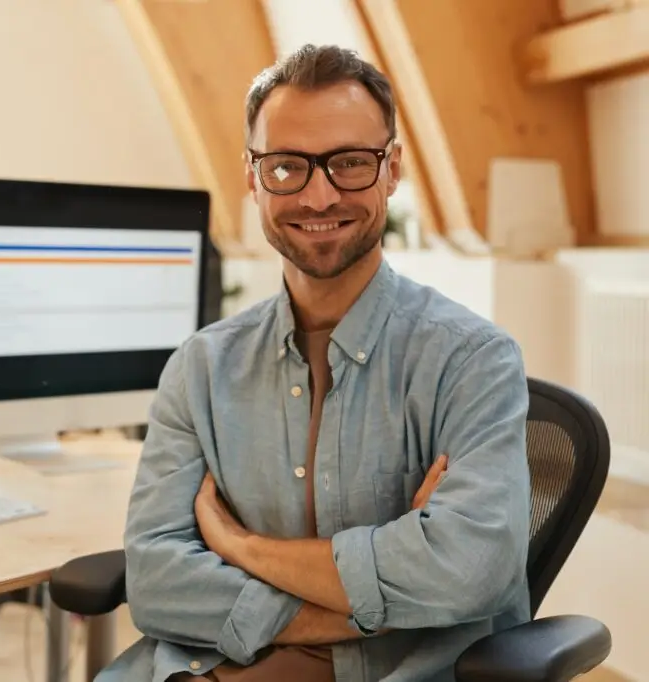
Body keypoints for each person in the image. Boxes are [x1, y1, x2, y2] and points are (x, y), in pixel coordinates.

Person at [98, 43, 532, 682]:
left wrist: (240, 548)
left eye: (351, 163)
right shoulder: (200, 368)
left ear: (393, 169)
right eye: (286, 168)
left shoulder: (474, 362)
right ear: (252, 177)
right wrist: (379, 595)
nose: (319, 196)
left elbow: (468, 573)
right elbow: (157, 581)